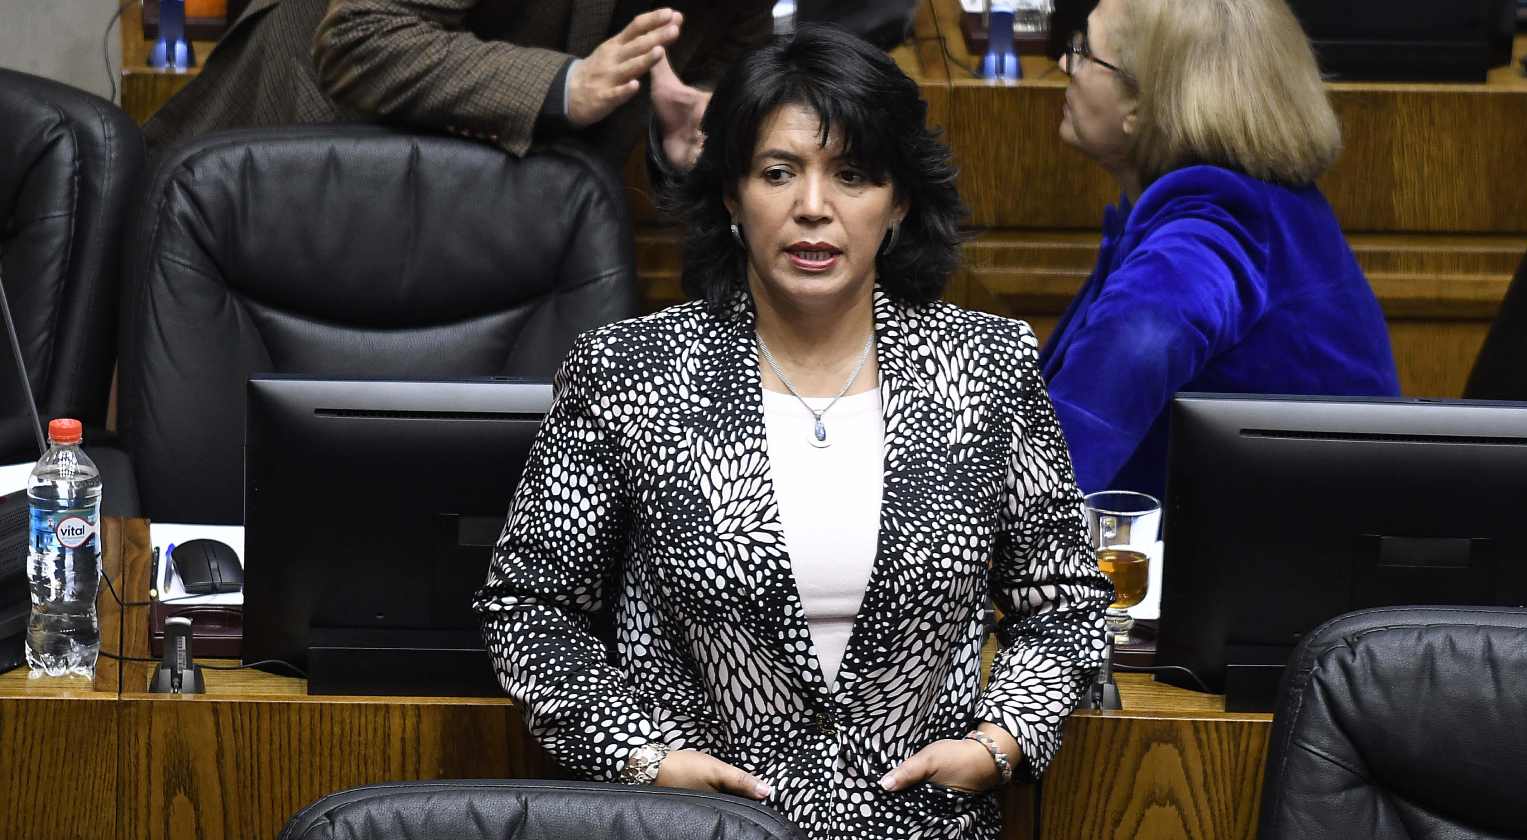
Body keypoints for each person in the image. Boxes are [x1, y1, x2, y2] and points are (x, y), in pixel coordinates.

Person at [474, 26, 1113, 840]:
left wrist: (1000, 743)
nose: (814, 206)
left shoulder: (986, 366)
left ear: (899, 202)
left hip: (921, 827)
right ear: (731, 195)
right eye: (778, 172)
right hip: (695, 827)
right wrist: (642, 757)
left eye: (853, 175)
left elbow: (1063, 602)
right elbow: (529, 608)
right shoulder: (628, 371)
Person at [1041, 0, 1401, 499]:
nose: (1065, 63)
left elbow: (1049, 472)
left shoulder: (1213, 229)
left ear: (1140, 106)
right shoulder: (1268, 206)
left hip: (1288, 544)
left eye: (1084, 50)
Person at [141, 0, 773, 169]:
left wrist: (681, 138)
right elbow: (363, 34)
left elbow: (712, 83)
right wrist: (567, 84)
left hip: (508, 207)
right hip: (309, 134)